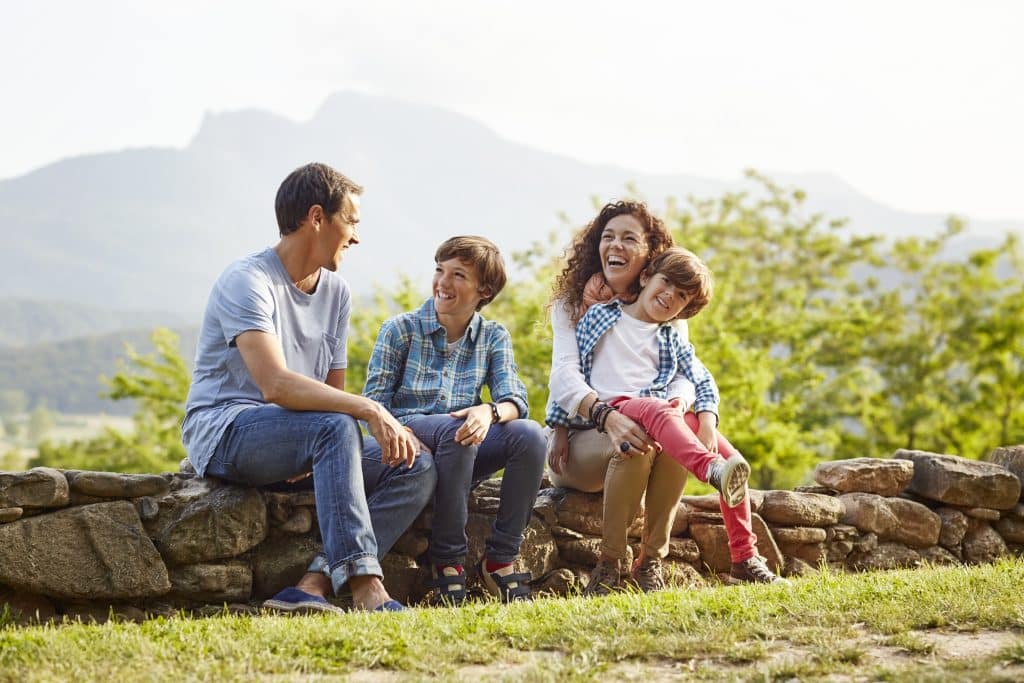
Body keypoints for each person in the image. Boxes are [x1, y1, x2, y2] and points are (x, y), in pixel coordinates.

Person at [181, 162, 436, 613]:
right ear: (317, 218)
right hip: (227, 431)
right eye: (351, 221)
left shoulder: (337, 292)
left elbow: (329, 392)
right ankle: (366, 590)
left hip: (302, 435)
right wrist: (371, 411)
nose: (356, 236)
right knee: (336, 427)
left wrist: (330, 433)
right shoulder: (248, 281)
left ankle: (312, 584)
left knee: (413, 463)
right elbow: (275, 385)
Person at [546, 200, 784, 595]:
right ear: (650, 277)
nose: (616, 246)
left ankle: (731, 557)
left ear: (648, 255)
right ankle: (611, 563)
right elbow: (567, 373)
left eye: (629, 239)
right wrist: (560, 423)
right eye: (608, 237)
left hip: (657, 416)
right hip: (597, 425)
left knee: (714, 452)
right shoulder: (592, 312)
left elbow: (690, 375)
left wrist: (701, 414)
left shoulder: (671, 326)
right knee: (650, 426)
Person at [363, 236, 546, 605]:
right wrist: (403, 433)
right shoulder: (400, 330)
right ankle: (447, 562)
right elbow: (373, 406)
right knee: (458, 431)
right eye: (439, 270)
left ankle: (500, 560)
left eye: (458, 274)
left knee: (530, 435)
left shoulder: (493, 336)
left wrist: (489, 410)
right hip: (411, 430)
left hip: (463, 445)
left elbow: (516, 400)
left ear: (484, 290)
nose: (443, 283)